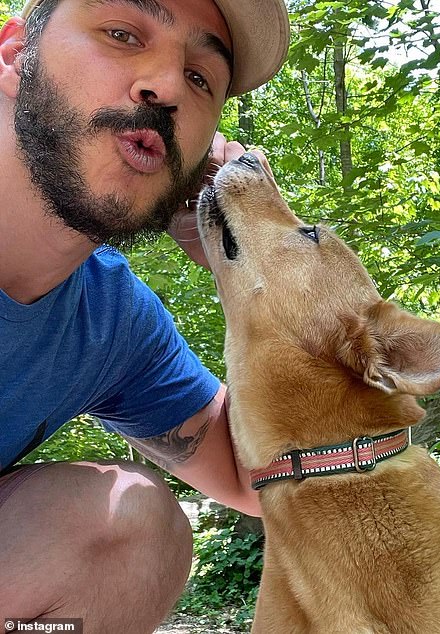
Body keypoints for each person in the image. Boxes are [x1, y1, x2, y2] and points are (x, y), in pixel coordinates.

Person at [0, 0, 289, 630]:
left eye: (199, 78)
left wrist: (253, 267)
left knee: (133, 526)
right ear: (15, 53)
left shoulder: (109, 324)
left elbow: (263, 479)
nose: (164, 87)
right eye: (123, 33)